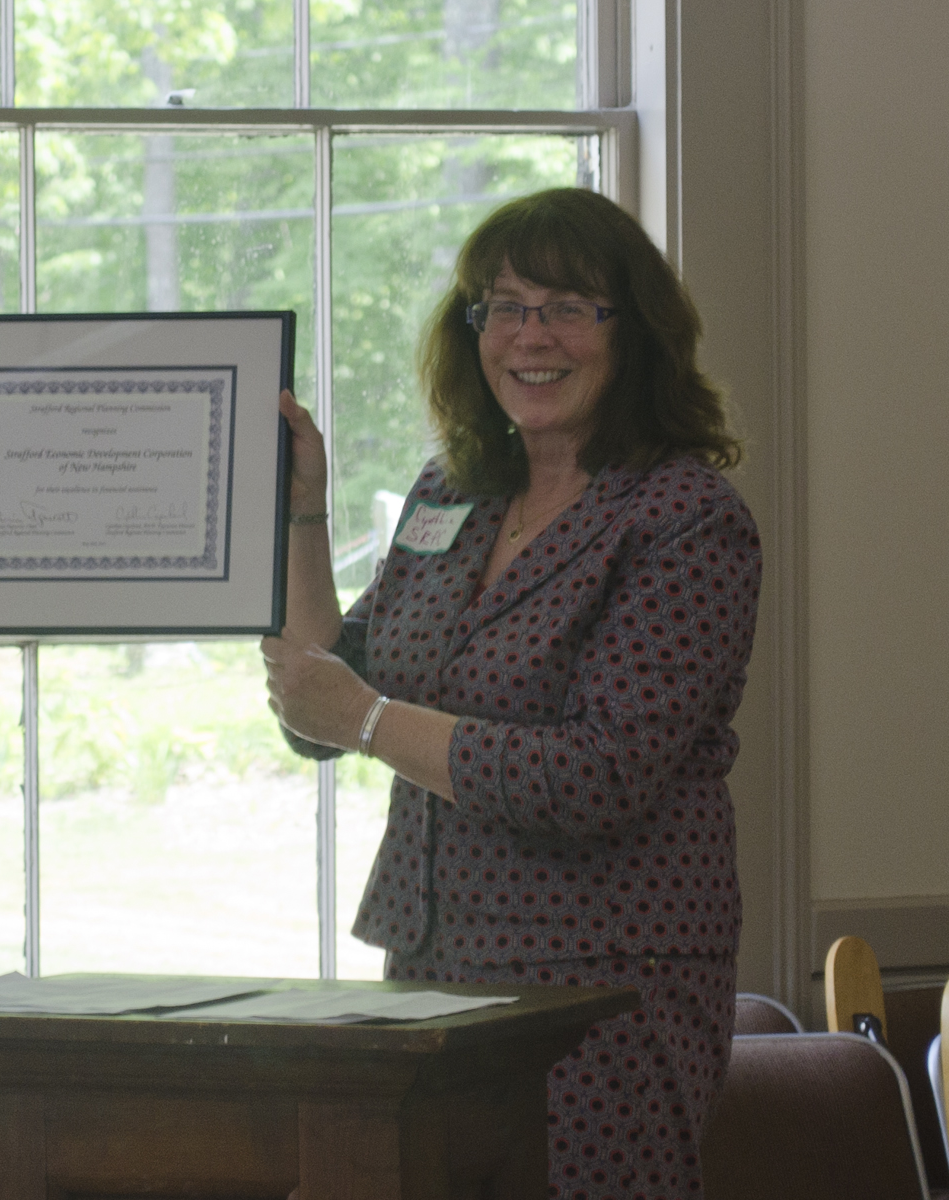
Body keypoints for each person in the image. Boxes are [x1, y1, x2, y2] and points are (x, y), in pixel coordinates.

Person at [263, 187, 760, 1200]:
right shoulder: (452, 493)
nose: (531, 336)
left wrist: (362, 720)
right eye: (504, 306)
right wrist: (302, 513)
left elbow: (597, 775)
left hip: (606, 987)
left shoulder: (684, 517)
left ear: (634, 332)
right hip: (433, 963)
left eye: (568, 306)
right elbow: (326, 695)